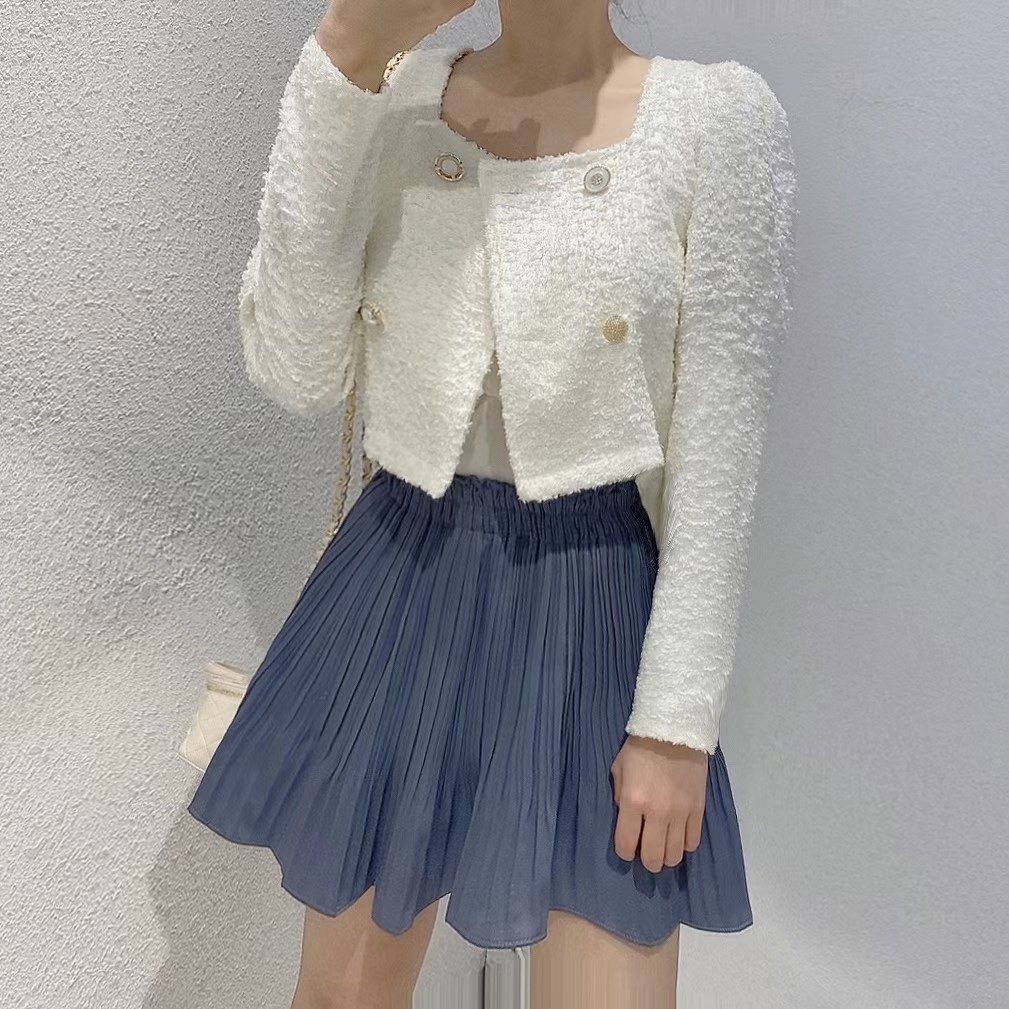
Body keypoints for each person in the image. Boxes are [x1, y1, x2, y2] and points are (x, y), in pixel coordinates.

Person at [187, 0, 798, 1005]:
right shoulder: (396, 96)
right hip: (398, 574)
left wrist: (676, 724)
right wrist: (343, 58)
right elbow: (296, 370)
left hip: (593, 597)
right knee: (339, 998)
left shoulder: (714, 120)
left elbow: (719, 457)